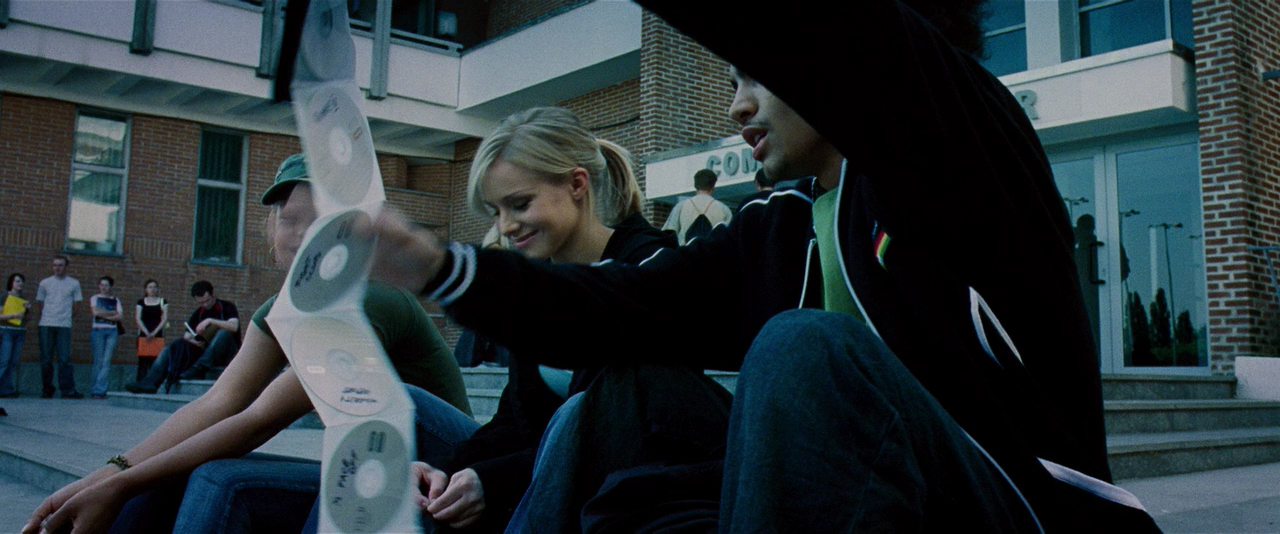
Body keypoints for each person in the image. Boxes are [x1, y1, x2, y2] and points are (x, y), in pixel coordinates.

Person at [366, 0, 1160, 531]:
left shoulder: (954, 146)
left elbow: (839, 31)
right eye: (731, 81)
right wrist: (440, 267)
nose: (737, 105)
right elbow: (619, 305)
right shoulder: (777, 227)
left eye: (755, 74)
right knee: (631, 384)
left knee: (804, 347)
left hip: (1022, 506)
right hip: (871, 489)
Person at [25, 154, 475, 534]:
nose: (301, 235)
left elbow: (260, 419)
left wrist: (117, 486)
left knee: (220, 479)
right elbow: (218, 402)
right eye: (290, 219)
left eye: (322, 221)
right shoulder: (281, 308)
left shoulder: (370, 296)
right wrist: (108, 475)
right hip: (365, 460)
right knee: (161, 474)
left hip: (444, 471)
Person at [401, 106, 680, 532]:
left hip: (620, 481)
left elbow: (602, 436)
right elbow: (515, 420)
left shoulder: (648, 267)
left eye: (519, 205)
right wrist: (448, 470)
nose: (506, 226)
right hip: (535, 464)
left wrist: (492, 480)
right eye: (495, 211)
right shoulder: (534, 284)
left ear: (577, 184)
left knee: (575, 415)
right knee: (411, 451)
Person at [124, 280, 239, 392]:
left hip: (228, 352)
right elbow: (187, 335)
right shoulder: (199, 313)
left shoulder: (227, 306)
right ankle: (150, 381)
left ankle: (198, 368)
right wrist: (194, 341)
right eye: (201, 303)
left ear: (213, 294)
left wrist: (211, 321)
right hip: (205, 351)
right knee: (171, 347)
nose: (205, 305)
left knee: (224, 333)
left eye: (207, 301)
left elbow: (234, 326)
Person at [35, 255, 83, 399]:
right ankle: (47, 389)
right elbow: (40, 303)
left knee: (64, 359)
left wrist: (66, 317)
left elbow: (77, 305)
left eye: (60, 265)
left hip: (63, 326)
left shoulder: (74, 283)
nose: (57, 268)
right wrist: (48, 316)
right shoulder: (45, 283)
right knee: (46, 359)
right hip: (46, 324)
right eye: (55, 265)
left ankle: (67, 390)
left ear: (66, 267)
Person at [662, 168, 732, 244]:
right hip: (712, 250)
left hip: (686, 250)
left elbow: (668, 234)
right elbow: (729, 238)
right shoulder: (724, 209)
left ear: (695, 185)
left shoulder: (681, 206)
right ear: (713, 186)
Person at [88, 276, 124, 399]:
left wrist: (103, 313)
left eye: (106, 285)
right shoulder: (95, 298)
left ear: (110, 287)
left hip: (111, 331)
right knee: (98, 360)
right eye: (101, 285)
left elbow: (119, 316)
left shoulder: (116, 300)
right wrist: (111, 313)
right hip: (97, 331)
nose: (103, 287)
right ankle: (95, 389)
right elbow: (95, 313)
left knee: (106, 361)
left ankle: (100, 390)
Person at [0, 273, 31, 398]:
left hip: (20, 331)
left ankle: (6, 389)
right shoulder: (5, 297)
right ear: (11, 283)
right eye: (17, 281)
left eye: (22, 281)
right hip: (7, 330)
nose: (20, 284)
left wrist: (28, 310)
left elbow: (27, 319)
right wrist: (14, 315)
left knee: (13, 361)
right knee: (4, 360)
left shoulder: (23, 299)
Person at [134, 279, 168, 381]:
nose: (152, 289)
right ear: (145, 289)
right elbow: (138, 318)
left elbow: (164, 318)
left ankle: (152, 384)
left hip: (157, 335)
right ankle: (140, 383)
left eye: (155, 287)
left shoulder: (163, 301)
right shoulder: (141, 302)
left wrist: (154, 333)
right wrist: (147, 332)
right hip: (144, 335)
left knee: (155, 361)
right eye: (150, 287)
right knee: (143, 362)